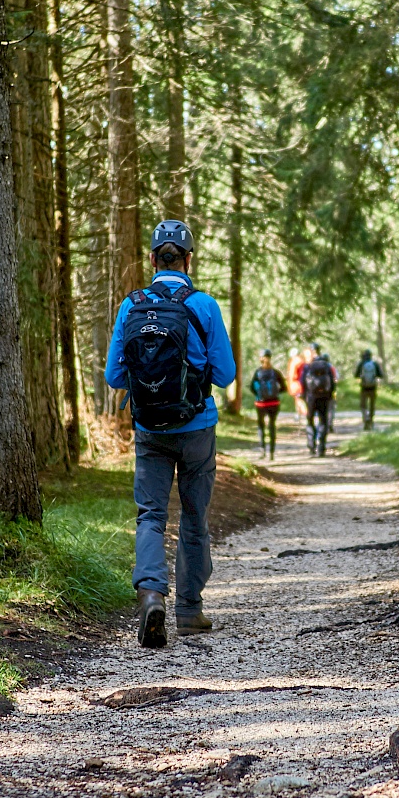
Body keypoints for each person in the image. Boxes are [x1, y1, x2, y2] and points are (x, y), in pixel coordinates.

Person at [105, 219, 236, 648]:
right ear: (188, 259)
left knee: (151, 516)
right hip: (197, 427)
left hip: (148, 429)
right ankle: (190, 610)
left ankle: (151, 595)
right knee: (194, 516)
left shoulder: (132, 305)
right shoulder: (204, 305)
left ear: (152, 259)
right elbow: (226, 374)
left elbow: (114, 376)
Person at [250, 350, 285, 460]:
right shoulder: (276, 372)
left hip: (261, 404)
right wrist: (275, 394)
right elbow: (284, 387)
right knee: (272, 425)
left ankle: (262, 450)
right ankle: (272, 453)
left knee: (261, 426)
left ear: (261, 359)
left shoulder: (258, 373)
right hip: (274, 402)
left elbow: (252, 387)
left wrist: (259, 395)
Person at [301, 351, 337, 457]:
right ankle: (321, 448)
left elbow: (303, 382)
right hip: (324, 398)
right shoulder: (327, 367)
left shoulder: (308, 367)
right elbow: (333, 383)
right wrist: (329, 395)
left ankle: (311, 447)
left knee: (310, 421)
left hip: (311, 398)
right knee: (323, 421)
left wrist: (304, 396)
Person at [354, 349, 385, 431]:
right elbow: (381, 375)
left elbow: (356, 375)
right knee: (372, 405)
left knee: (363, 405)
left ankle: (366, 418)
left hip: (363, 387)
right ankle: (370, 421)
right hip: (373, 387)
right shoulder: (374, 364)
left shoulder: (361, 363)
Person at [286, 347, 306, 422]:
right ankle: (298, 414)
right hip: (303, 384)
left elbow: (293, 375)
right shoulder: (302, 361)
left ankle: (304, 414)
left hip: (296, 385)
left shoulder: (294, 362)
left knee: (299, 400)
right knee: (299, 400)